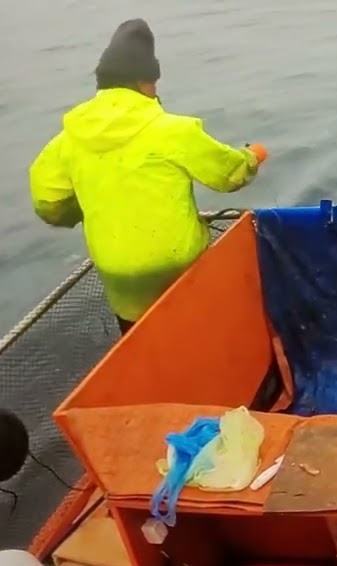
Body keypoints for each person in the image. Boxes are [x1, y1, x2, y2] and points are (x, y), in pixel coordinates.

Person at [29, 19, 268, 334]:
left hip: (121, 282)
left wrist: (80, 209)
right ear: (143, 83)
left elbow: (48, 202)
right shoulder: (173, 130)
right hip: (180, 273)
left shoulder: (68, 140)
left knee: (146, 351)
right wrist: (253, 156)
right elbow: (228, 175)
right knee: (199, 339)